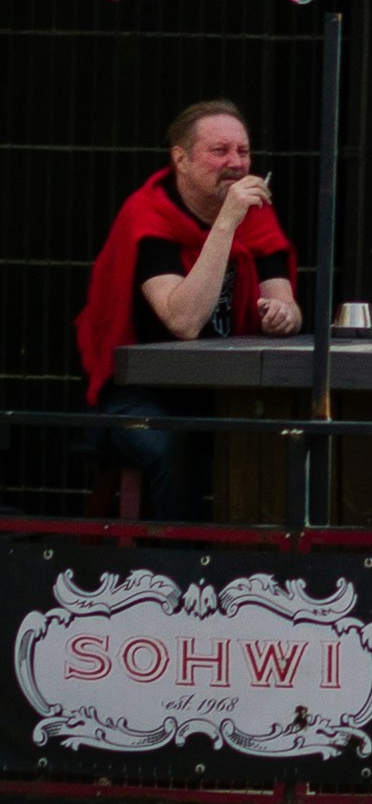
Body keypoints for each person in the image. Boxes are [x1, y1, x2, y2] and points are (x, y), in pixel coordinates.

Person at [78, 101, 302, 521]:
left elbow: (286, 302)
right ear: (180, 159)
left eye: (244, 151)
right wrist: (225, 223)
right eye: (220, 151)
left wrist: (283, 315)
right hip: (139, 397)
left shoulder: (256, 216)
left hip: (226, 391)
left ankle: (262, 568)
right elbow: (183, 321)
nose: (236, 163)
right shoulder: (148, 217)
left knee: (285, 438)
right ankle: (179, 572)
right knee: (175, 444)